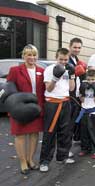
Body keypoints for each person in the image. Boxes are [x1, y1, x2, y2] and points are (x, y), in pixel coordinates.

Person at [5, 44, 44, 174]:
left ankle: (30, 160)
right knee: (20, 135)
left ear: (37, 56)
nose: (31, 57)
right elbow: (8, 90)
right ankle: (23, 162)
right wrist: (11, 106)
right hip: (19, 109)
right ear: (23, 56)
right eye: (28, 54)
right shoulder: (15, 70)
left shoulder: (42, 71)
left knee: (34, 135)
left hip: (36, 108)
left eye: (34, 55)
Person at [39, 48, 76, 172]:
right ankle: (44, 161)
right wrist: (55, 77)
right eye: (61, 59)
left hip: (65, 102)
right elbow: (48, 89)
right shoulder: (49, 70)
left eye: (65, 59)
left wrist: (72, 75)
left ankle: (62, 157)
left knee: (65, 131)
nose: (63, 62)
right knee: (50, 132)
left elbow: (71, 89)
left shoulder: (68, 68)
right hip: (52, 103)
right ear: (56, 57)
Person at [75, 69, 95, 159]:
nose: (90, 82)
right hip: (84, 111)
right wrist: (82, 92)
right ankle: (85, 148)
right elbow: (82, 100)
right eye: (89, 79)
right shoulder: (83, 85)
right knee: (84, 132)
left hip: (94, 112)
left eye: (93, 80)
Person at [68, 37, 87, 157]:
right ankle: (66, 149)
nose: (77, 49)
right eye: (74, 47)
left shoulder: (77, 60)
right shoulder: (67, 60)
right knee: (68, 124)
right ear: (70, 46)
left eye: (79, 47)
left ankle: (76, 139)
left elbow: (80, 79)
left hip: (76, 96)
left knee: (76, 121)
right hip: (69, 96)